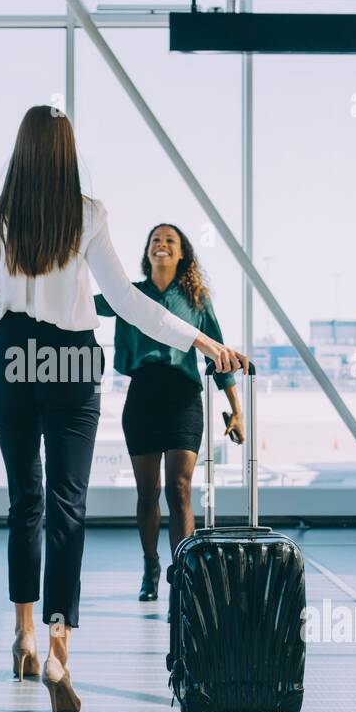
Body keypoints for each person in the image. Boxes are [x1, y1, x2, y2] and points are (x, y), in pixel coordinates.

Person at [0, 106, 245, 712]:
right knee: (65, 502)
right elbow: (127, 302)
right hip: (73, 363)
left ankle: (23, 634)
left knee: (23, 500)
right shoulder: (85, 214)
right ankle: (60, 647)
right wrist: (203, 341)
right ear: (67, 151)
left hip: (11, 358)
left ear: (20, 149)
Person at [95, 224, 244, 602]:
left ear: (182, 254)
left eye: (170, 241)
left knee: (179, 489)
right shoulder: (128, 295)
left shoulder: (196, 298)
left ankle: (183, 574)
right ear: (147, 253)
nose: (161, 245)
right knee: (149, 491)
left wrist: (236, 411)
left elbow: (220, 353)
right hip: (142, 395)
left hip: (183, 398)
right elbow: (80, 303)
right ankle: (150, 565)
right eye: (155, 240)